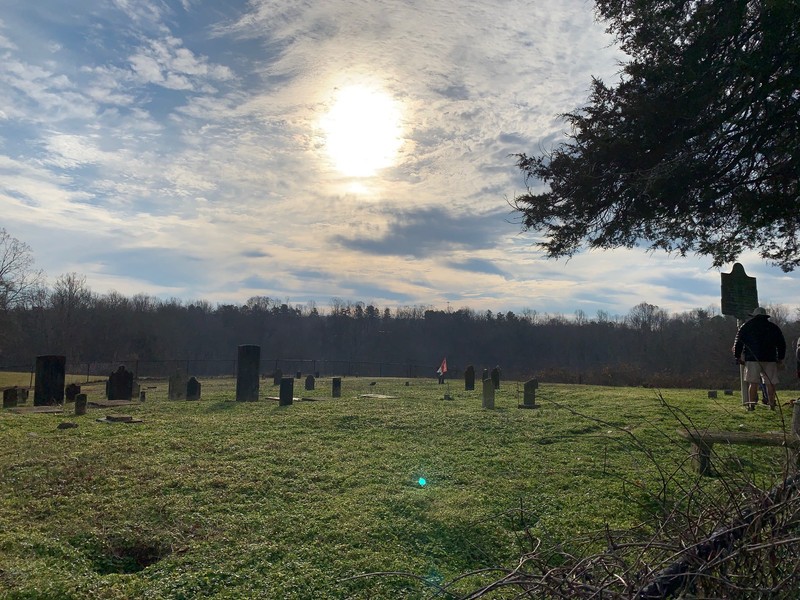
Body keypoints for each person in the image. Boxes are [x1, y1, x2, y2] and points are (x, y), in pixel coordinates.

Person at [732, 307, 786, 410]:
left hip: (752, 358)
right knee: (770, 382)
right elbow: (781, 344)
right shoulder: (773, 327)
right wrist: (780, 358)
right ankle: (771, 404)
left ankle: (751, 405)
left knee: (753, 383)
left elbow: (738, 342)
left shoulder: (746, 326)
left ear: (754, 316)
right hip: (770, 358)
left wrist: (737, 356)